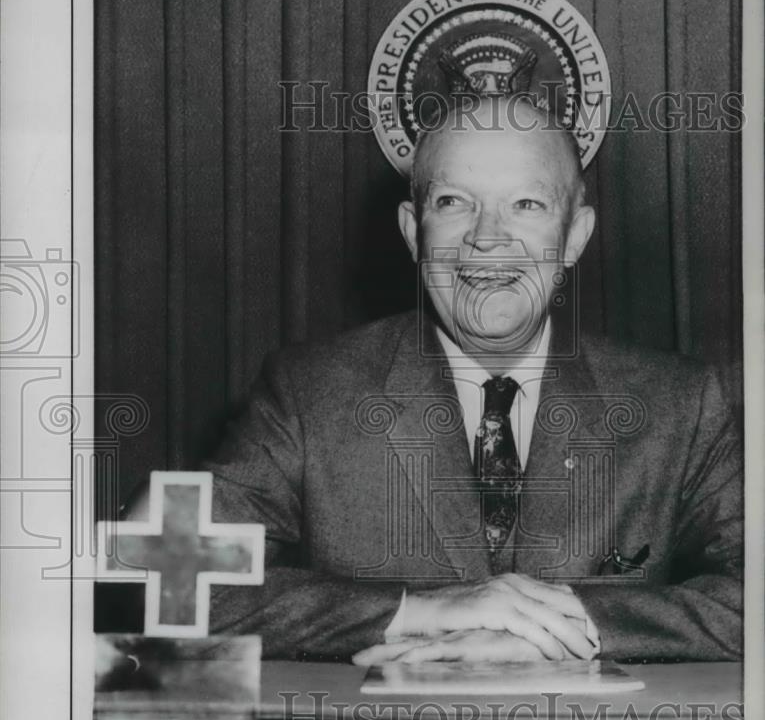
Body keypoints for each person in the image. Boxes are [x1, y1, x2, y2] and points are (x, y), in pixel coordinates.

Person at [203, 95, 742, 665]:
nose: (488, 237)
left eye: (527, 203)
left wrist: (570, 624)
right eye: (454, 202)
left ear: (575, 237)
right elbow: (173, 583)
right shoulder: (306, 392)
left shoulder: (680, 402)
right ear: (414, 233)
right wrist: (416, 613)